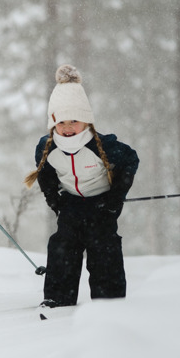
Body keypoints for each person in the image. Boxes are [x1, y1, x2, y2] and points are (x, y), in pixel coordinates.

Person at [24, 64, 139, 307]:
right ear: (53, 123)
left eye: (74, 121)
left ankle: (109, 301)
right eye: (61, 122)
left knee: (103, 249)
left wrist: (115, 198)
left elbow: (130, 160)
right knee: (62, 246)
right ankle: (58, 298)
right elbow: (45, 173)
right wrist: (54, 199)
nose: (67, 128)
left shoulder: (103, 146)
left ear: (86, 121)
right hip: (71, 204)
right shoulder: (47, 146)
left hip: (101, 205)